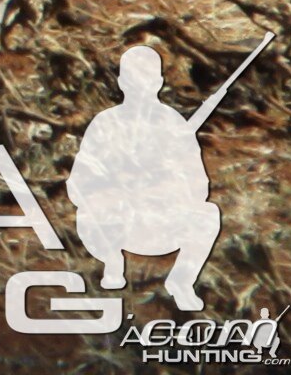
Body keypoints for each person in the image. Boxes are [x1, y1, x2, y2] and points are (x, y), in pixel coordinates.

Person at [70, 43, 223, 312]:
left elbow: (199, 187)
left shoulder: (174, 125)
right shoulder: (105, 123)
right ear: (121, 83)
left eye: (146, 80)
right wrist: (117, 183)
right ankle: (112, 264)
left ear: (159, 83)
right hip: (113, 225)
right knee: (90, 209)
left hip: (159, 222)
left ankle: (181, 281)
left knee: (208, 214)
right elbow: (78, 185)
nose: (140, 87)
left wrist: (167, 182)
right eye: (133, 80)